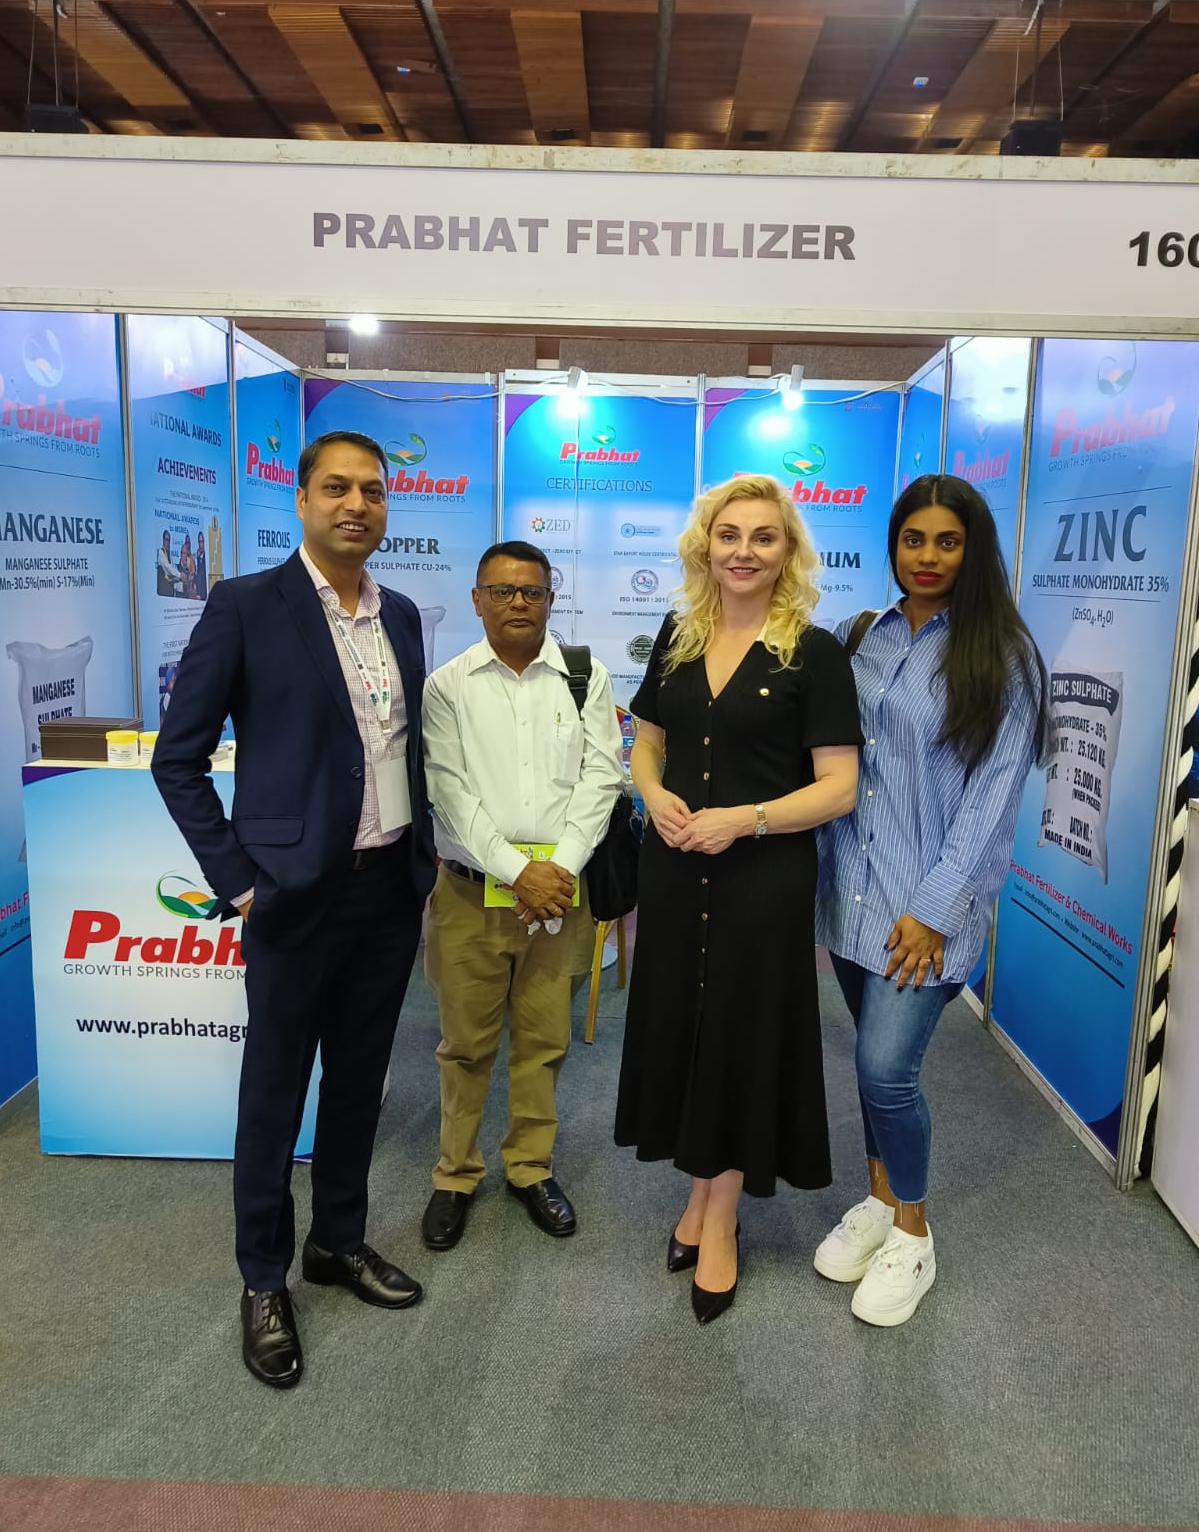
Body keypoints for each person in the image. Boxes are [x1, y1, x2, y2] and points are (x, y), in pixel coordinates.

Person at [152, 430, 436, 1389]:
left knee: (359, 1085)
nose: (357, 504)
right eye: (337, 488)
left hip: (389, 891)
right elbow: (177, 760)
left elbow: (396, 750)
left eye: (373, 491)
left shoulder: (401, 614)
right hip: (293, 897)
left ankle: (337, 1242)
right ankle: (263, 1279)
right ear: (303, 499)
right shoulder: (244, 605)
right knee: (274, 1097)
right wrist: (240, 881)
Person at [614, 475, 862, 1325]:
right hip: (675, 872)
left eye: (763, 536)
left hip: (763, 881)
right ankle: (699, 1194)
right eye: (729, 535)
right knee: (689, 1031)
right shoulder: (678, 636)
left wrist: (745, 820)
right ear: (705, 546)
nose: (744, 551)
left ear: (787, 551)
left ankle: (719, 1218)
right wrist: (653, 796)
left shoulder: (813, 653)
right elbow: (645, 746)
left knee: (737, 1037)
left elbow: (838, 788)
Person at [814, 474, 1048, 1327]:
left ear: (972, 550)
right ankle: (878, 1201)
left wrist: (936, 909)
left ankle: (913, 1233)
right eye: (914, 539)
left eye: (948, 541)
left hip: (925, 914)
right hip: (850, 893)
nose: (928, 556)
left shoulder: (1004, 656)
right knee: (869, 1070)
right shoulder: (864, 636)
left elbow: (993, 799)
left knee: (887, 1070)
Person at [419, 541, 623, 1252]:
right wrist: (518, 872)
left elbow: (603, 777)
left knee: (543, 1042)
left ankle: (530, 1167)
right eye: (502, 591)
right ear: (477, 600)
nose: (517, 603)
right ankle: (455, 1175)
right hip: (470, 895)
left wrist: (556, 871)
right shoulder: (447, 685)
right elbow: (449, 791)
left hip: (559, 896)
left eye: (532, 592)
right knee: (464, 1046)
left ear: (550, 600)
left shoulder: (585, 677)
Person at [156, 530, 182, 597]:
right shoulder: (161, 552)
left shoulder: (170, 556)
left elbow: (173, 571)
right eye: (166, 540)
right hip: (163, 592)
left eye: (169, 540)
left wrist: (180, 578)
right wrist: (180, 575)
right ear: (163, 540)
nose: (168, 542)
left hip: (170, 592)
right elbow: (168, 569)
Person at [195, 529, 208, 600]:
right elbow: (198, 575)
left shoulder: (207, 557)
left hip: (205, 594)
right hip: (198, 594)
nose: (200, 545)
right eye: (199, 542)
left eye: (202, 542)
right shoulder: (197, 557)